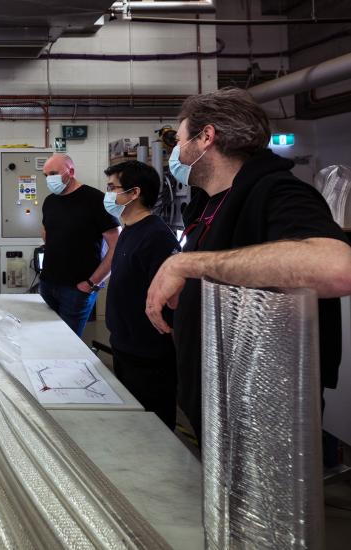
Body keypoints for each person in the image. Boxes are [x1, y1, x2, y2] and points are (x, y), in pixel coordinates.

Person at [146, 87, 351, 439]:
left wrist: (186, 266)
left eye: (179, 141)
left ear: (206, 136)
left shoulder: (276, 191)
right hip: (215, 405)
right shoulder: (208, 202)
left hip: (260, 421)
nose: (175, 154)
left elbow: (337, 267)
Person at [103, 161, 180, 429]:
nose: (108, 194)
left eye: (113, 188)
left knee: (153, 428)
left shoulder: (156, 236)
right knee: (133, 423)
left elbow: (170, 299)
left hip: (149, 354)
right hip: (126, 346)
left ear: (134, 193)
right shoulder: (129, 230)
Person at [40, 153, 120, 336]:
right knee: (49, 337)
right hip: (48, 284)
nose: (49, 179)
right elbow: (47, 232)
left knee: (68, 343)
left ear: (71, 171)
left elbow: (117, 246)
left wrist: (93, 282)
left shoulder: (96, 200)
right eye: (46, 175)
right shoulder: (50, 201)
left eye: (53, 173)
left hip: (77, 289)